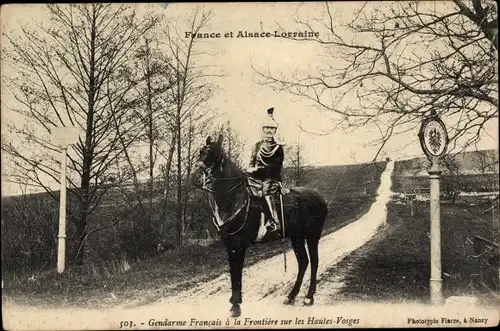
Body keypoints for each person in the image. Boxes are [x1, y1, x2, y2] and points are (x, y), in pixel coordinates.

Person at [247, 107, 285, 232]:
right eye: (267, 128)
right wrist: (249, 170)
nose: (269, 131)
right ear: (263, 129)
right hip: (255, 178)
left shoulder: (278, 147)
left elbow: (275, 167)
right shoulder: (256, 145)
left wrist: (258, 170)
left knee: (265, 193)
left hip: (270, 179)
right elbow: (251, 162)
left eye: (272, 128)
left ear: (275, 130)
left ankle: (273, 222)